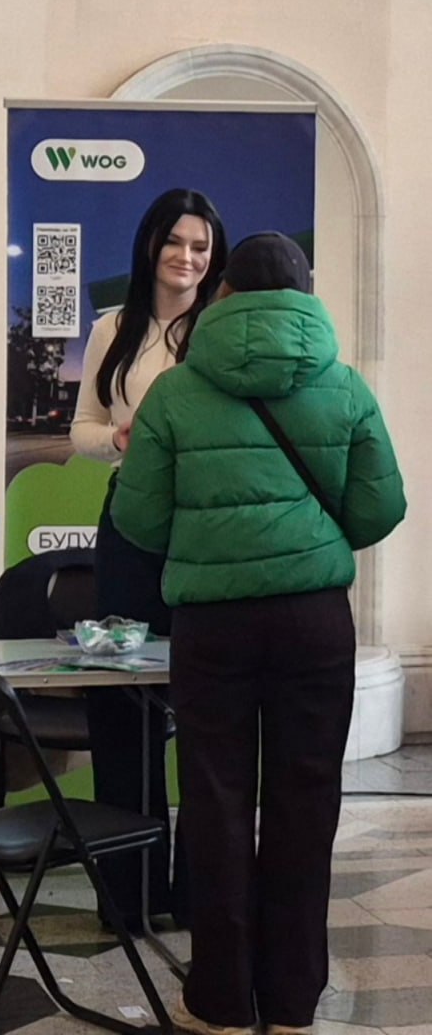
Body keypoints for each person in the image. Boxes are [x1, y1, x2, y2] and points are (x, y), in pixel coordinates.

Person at [111, 233, 406, 1035]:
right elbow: (381, 507)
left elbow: (137, 518)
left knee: (216, 801)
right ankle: (292, 1000)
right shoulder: (346, 386)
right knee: (307, 800)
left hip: (212, 624)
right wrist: (312, 538)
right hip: (315, 621)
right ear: (306, 296)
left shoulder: (174, 392)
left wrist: (208, 540)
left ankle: (221, 1000)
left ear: (226, 294)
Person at [70, 189, 228, 930]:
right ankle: (128, 895)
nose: (187, 258)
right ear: (150, 245)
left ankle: (198, 894)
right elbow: (82, 427)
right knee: (122, 698)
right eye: (175, 242)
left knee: (205, 705)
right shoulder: (112, 327)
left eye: (200, 246)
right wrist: (119, 439)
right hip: (128, 518)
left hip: (204, 524)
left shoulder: (222, 326)